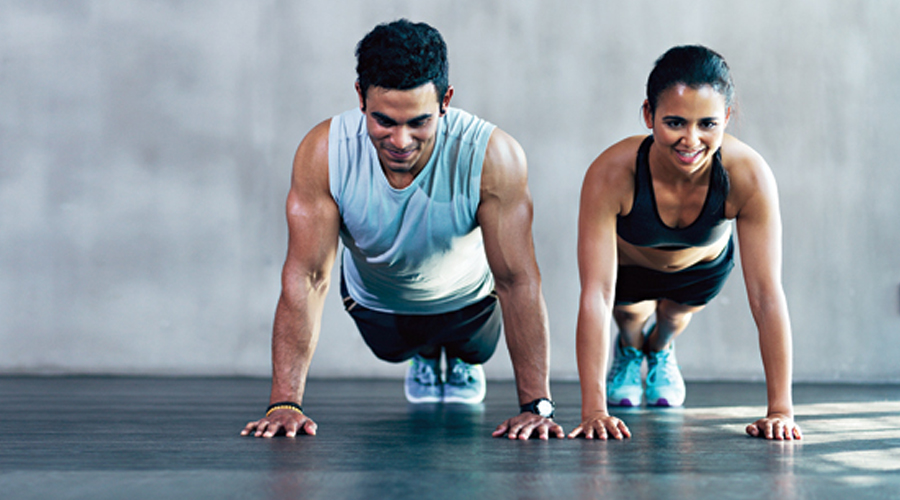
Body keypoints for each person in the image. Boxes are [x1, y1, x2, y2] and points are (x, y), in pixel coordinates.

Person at [241, 19, 563, 440]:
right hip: (380, 307)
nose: (401, 140)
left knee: (473, 348)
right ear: (360, 97)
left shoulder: (492, 155)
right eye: (385, 121)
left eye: (418, 122)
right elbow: (308, 276)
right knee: (397, 348)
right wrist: (285, 403)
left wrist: (536, 406)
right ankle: (427, 355)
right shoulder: (324, 152)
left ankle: (456, 360)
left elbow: (516, 279)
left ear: (445, 101)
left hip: (470, 305)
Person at [568, 45, 802, 441]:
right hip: (630, 270)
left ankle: (659, 351)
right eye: (675, 122)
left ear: (726, 118)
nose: (690, 140)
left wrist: (781, 410)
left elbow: (766, 295)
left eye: (707, 124)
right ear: (648, 115)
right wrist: (594, 411)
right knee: (627, 318)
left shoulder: (749, 176)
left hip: (699, 271)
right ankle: (629, 351)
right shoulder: (611, 173)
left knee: (673, 319)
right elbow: (596, 293)